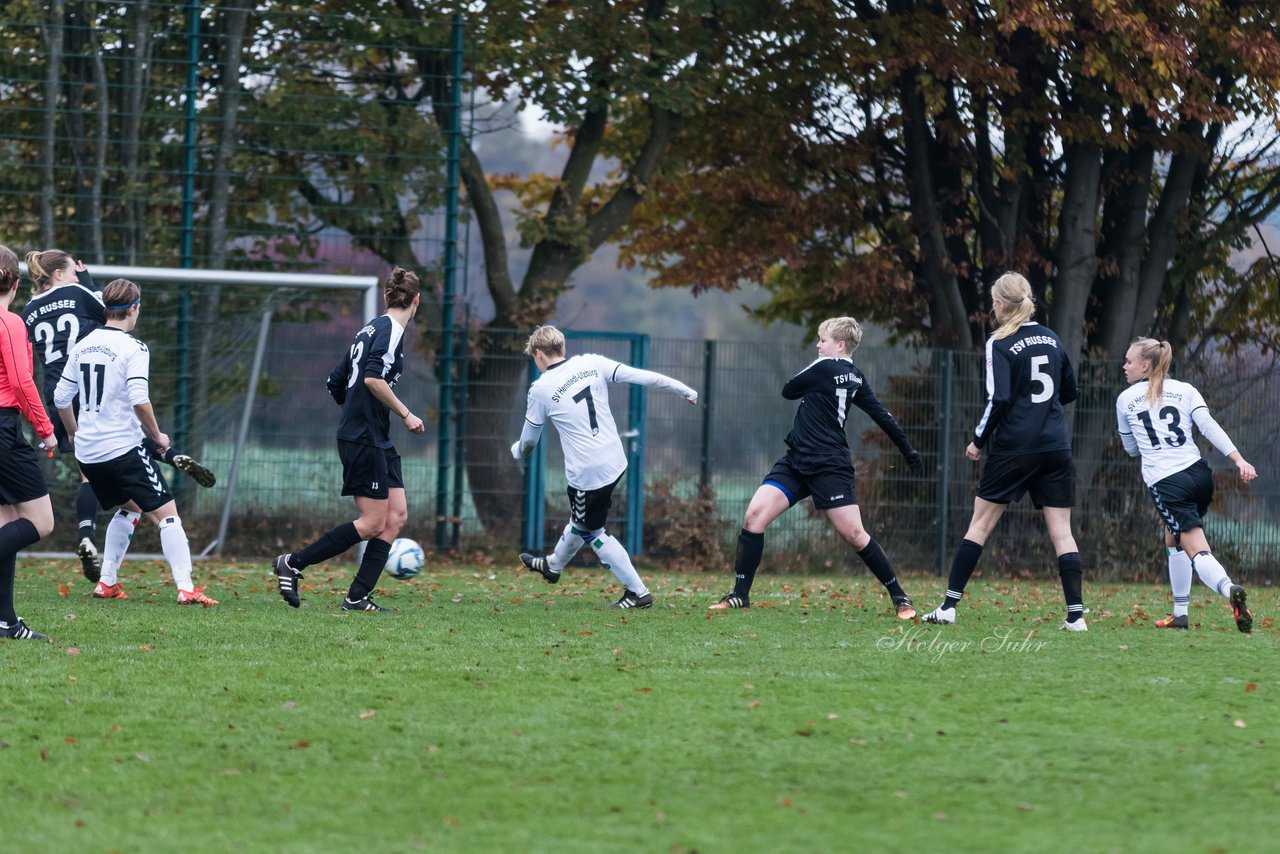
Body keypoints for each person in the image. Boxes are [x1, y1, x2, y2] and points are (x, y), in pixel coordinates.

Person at [708, 316, 924, 615]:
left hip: (829, 467)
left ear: (840, 345)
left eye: (822, 340)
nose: (818, 345)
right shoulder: (855, 377)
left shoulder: (822, 366)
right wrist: (909, 451)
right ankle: (739, 595)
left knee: (854, 534)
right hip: (797, 461)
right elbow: (882, 415)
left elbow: (788, 390)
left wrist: (815, 372)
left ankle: (900, 596)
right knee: (754, 517)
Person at [24, 249, 216, 583]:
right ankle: (165, 451)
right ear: (58, 274)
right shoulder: (79, 293)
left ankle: (87, 537)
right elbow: (113, 309)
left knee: (99, 478)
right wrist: (87, 280)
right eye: (71, 271)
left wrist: (57, 427)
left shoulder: (28, 310)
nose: (74, 275)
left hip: (60, 394)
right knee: (126, 437)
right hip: (95, 378)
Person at [921, 273, 1085, 630]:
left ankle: (948, 607)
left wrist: (978, 440)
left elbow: (1001, 399)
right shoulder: (1052, 337)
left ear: (999, 304)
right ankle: (1076, 616)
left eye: (993, 301)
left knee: (980, 525)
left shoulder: (999, 341)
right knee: (1062, 532)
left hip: (1014, 447)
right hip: (1056, 445)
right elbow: (1070, 391)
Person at [271, 267, 425, 611]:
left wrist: (359, 414)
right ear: (417, 300)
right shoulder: (391, 332)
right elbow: (372, 379)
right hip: (365, 437)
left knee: (396, 516)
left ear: (387, 297)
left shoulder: (368, 329)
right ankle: (293, 563)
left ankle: (356, 597)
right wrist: (405, 414)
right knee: (372, 523)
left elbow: (334, 383)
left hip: (372, 436)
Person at [512, 325, 698, 609]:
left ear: (538, 354)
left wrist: (517, 451)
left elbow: (528, 443)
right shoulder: (591, 362)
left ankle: (638, 592)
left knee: (592, 530)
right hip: (614, 461)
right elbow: (640, 376)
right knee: (582, 519)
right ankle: (552, 566)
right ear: (563, 348)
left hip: (588, 474)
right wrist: (681, 388)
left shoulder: (540, 389)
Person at [1116, 338, 1257, 633]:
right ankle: (1180, 614)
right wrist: (1239, 459)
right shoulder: (1185, 390)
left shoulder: (1125, 399)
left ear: (1146, 365)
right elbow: (1208, 426)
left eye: (1129, 361)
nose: (1124, 366)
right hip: (1199, 475)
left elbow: (1130, 450)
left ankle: (1230, 589)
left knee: (1195, 547)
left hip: (1168, 483)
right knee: (1173, 536)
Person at [0, 244, 57, 640]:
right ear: (16, 284)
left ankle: (5, 621)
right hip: (3, 431)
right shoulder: (10, 322)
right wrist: (45, 428)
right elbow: (21, 382)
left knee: (6, 526)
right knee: (41, 522)